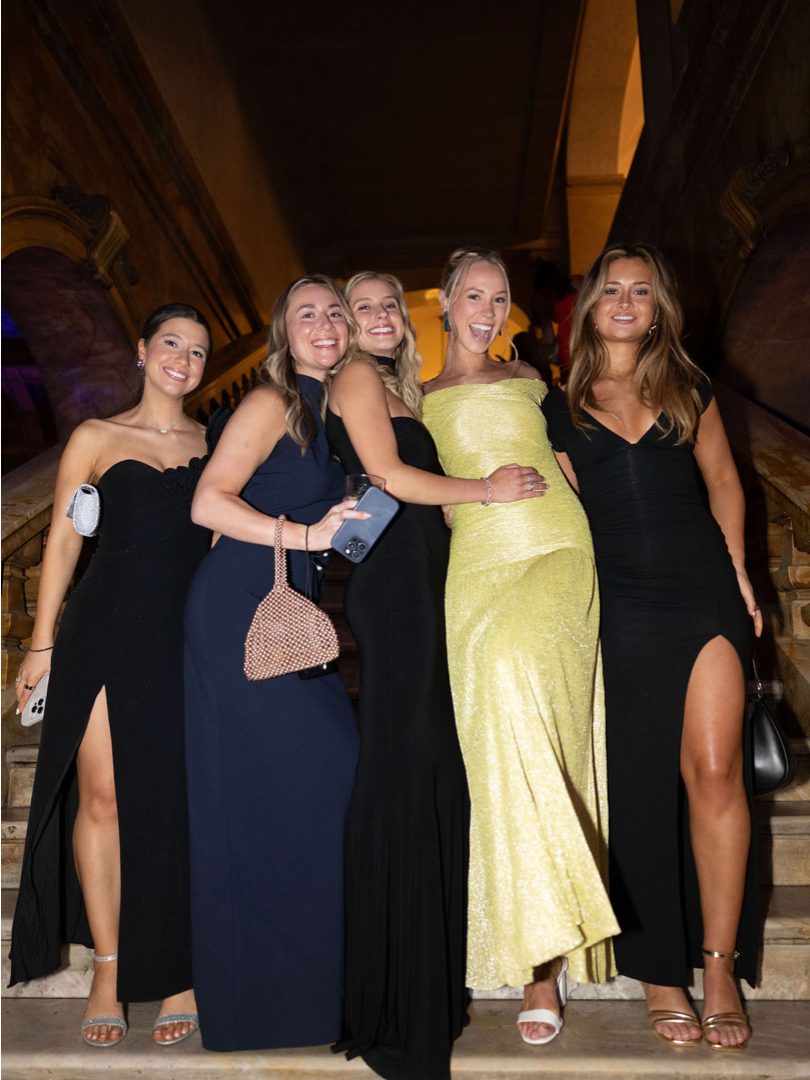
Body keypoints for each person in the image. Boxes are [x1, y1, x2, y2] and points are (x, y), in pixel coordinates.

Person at [542, 242, 760, 1052]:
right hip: (620, 603)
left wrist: (739, 573)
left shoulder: (688, 387)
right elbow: (563, 513)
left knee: (717, 771)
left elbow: (724, 481)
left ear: (659, 307)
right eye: (612, 290)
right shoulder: (559, 406)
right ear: (591, 308)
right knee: (637, 789)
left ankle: (718, 966)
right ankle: (661, 972)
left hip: (701, 590)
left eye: (642, 291)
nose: (626, 302)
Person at [326, 272, 544, 1080]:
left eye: (390, 303)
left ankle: (427, 990)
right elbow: (387, 476)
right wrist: (488, 490)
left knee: (432, 772)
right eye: (364, 306)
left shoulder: (404, 391)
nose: (382, 315)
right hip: (395, 586)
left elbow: (432, 502)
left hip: (429, 578)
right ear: (346, 324)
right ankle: (392, 1004)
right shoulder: (356, 376)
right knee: (401, 771)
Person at [422, 248, 619, 1048]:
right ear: (446, 303)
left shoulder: (531, 376)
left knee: (534, 707)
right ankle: (542, 943)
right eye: (474, 295)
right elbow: (413, 487)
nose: (488, 309)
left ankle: (543, 971)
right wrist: (470, 496)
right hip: (476, 565)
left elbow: (569, 467)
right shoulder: (414, 395)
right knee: (499, 741)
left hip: (556, 545)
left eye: (499, 297)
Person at [10, 304, 215, 1047]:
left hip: (185, 637)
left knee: (177, 803)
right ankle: (109, 965)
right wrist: (41, 646)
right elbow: (65, 542)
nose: (183, 360)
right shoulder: (95, 437)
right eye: (172, 343)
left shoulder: (215, 441)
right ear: (142, 349)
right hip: (103, 631)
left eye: (198, 351)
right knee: (102, 797)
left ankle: (178, 966)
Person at [184, 276, 365, 1052]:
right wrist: (308, 536)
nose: (324, 323)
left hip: (287, 611)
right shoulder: (269, 401)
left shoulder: (330, 413)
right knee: (289, 787)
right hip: (240, 612)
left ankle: (307, 1001)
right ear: (282, 334)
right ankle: (253, 1006)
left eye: (335, 312)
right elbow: (208, 502)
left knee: (311, 792)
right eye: (306, 313)